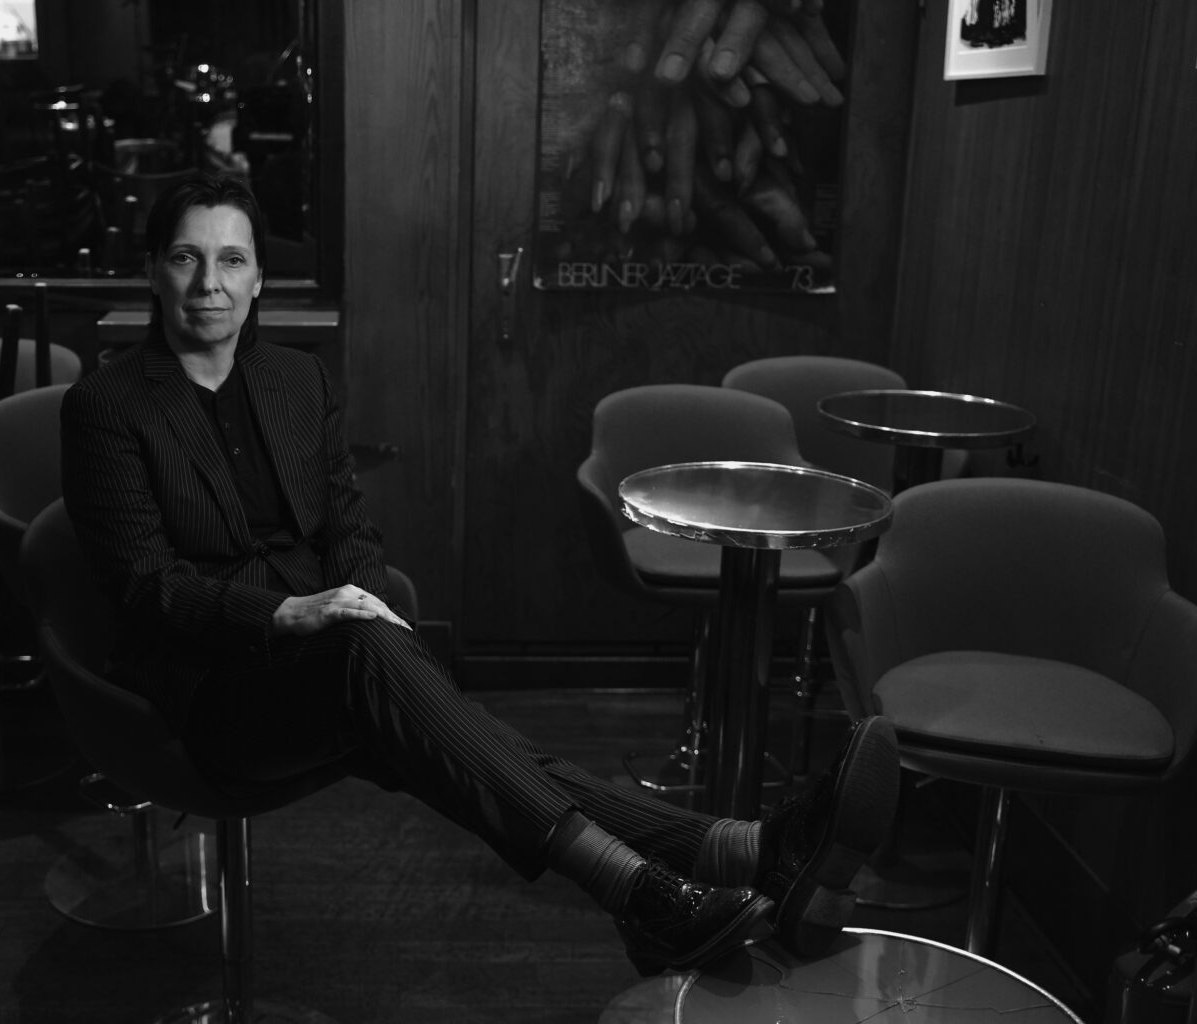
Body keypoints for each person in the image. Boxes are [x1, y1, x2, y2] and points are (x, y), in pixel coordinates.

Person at [60, 169, 901, 972]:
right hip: (215, 690)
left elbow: (349, 528)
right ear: (153, 271)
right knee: (426, 698)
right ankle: (678, 873)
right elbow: (146, 588)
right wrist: (289, 614)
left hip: (331, 663)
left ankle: (717, 863)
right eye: (187, 257)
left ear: (258, 281)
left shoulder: (295, 378)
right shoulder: (108, 404)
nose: (209, 282)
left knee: (443, 715)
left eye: (231, 259)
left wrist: (363, 606)